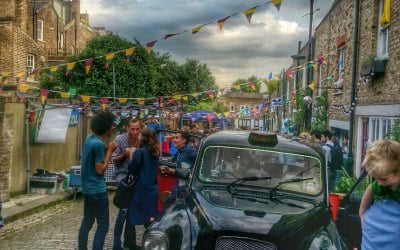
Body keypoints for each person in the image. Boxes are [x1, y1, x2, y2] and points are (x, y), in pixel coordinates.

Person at [78, 111, 118, 250]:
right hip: (98, 191)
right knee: (103, 226)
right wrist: (110, 151)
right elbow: (100, 169)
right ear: (106, 127)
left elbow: (94, 157)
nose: (113, 128)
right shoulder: (99, 145)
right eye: (112, 125)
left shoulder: (89, 139)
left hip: (87, 190)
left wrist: (107, 148)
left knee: (87, 222)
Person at [359, 140, 400, 249]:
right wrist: (362, 213)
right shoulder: (385, 184)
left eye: (383, 179)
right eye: (376, 178)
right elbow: (370, 190)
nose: (379, 183)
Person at [125, 128, 160, 250]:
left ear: (144, 137)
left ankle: (131, 244)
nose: (138, 135)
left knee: (130, 217)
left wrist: (130, 155)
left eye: (140, 133)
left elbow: (132, 169)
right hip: (152, 189)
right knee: (149, 219)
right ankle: (154, 243)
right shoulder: (155, 152)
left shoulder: (140, 152)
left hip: (140, 190)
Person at [111, 119, 142, 250]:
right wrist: (125, 153)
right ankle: (116, 244)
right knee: (123, 210)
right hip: (122, 176)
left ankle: (129, 242)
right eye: (132, 129)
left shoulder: (141, 140)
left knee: (131, 211)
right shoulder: (120, 139)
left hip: (135, 176)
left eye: (137, 129)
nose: (135, 132)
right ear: (127, 128)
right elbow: (114, 161)